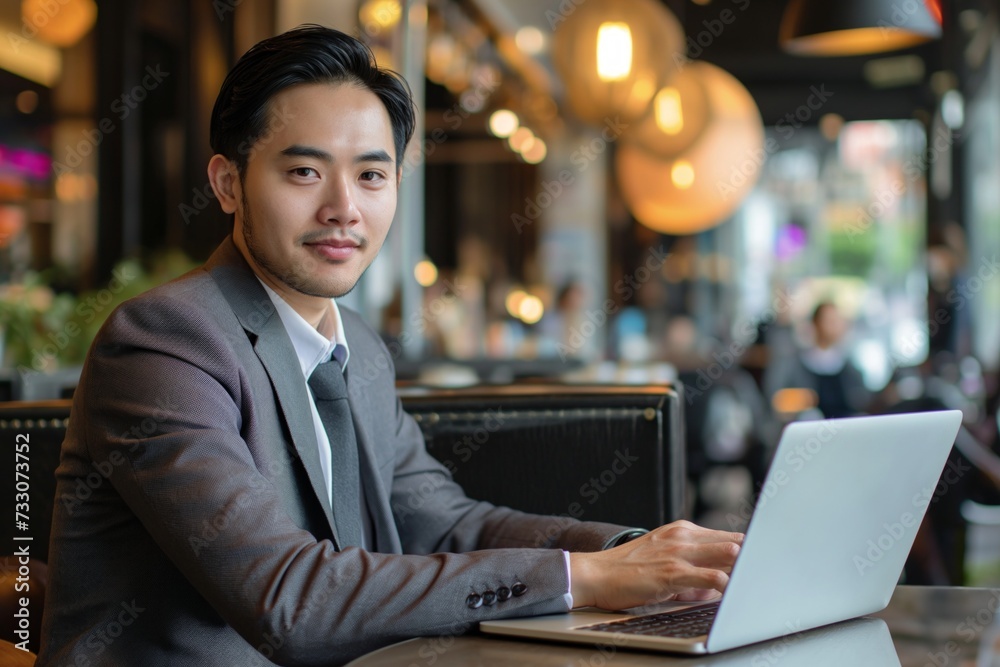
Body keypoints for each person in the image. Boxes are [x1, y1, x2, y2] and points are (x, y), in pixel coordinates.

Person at [36, 26, 742, 666]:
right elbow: (287, 599)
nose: (345, 206)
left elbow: (448, 522)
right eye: (305, 172)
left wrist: (639, 555)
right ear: (227, 183)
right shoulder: (164, 341)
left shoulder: (359, 351)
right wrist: (578, 579)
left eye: (371, 175)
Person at [765, 301, 870, 419]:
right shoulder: (794, 364)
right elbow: (777, 399)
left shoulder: (849, 367)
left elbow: (862, 400)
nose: (835, 326)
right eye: (830, 321)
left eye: (837, 321)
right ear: (816, 324)